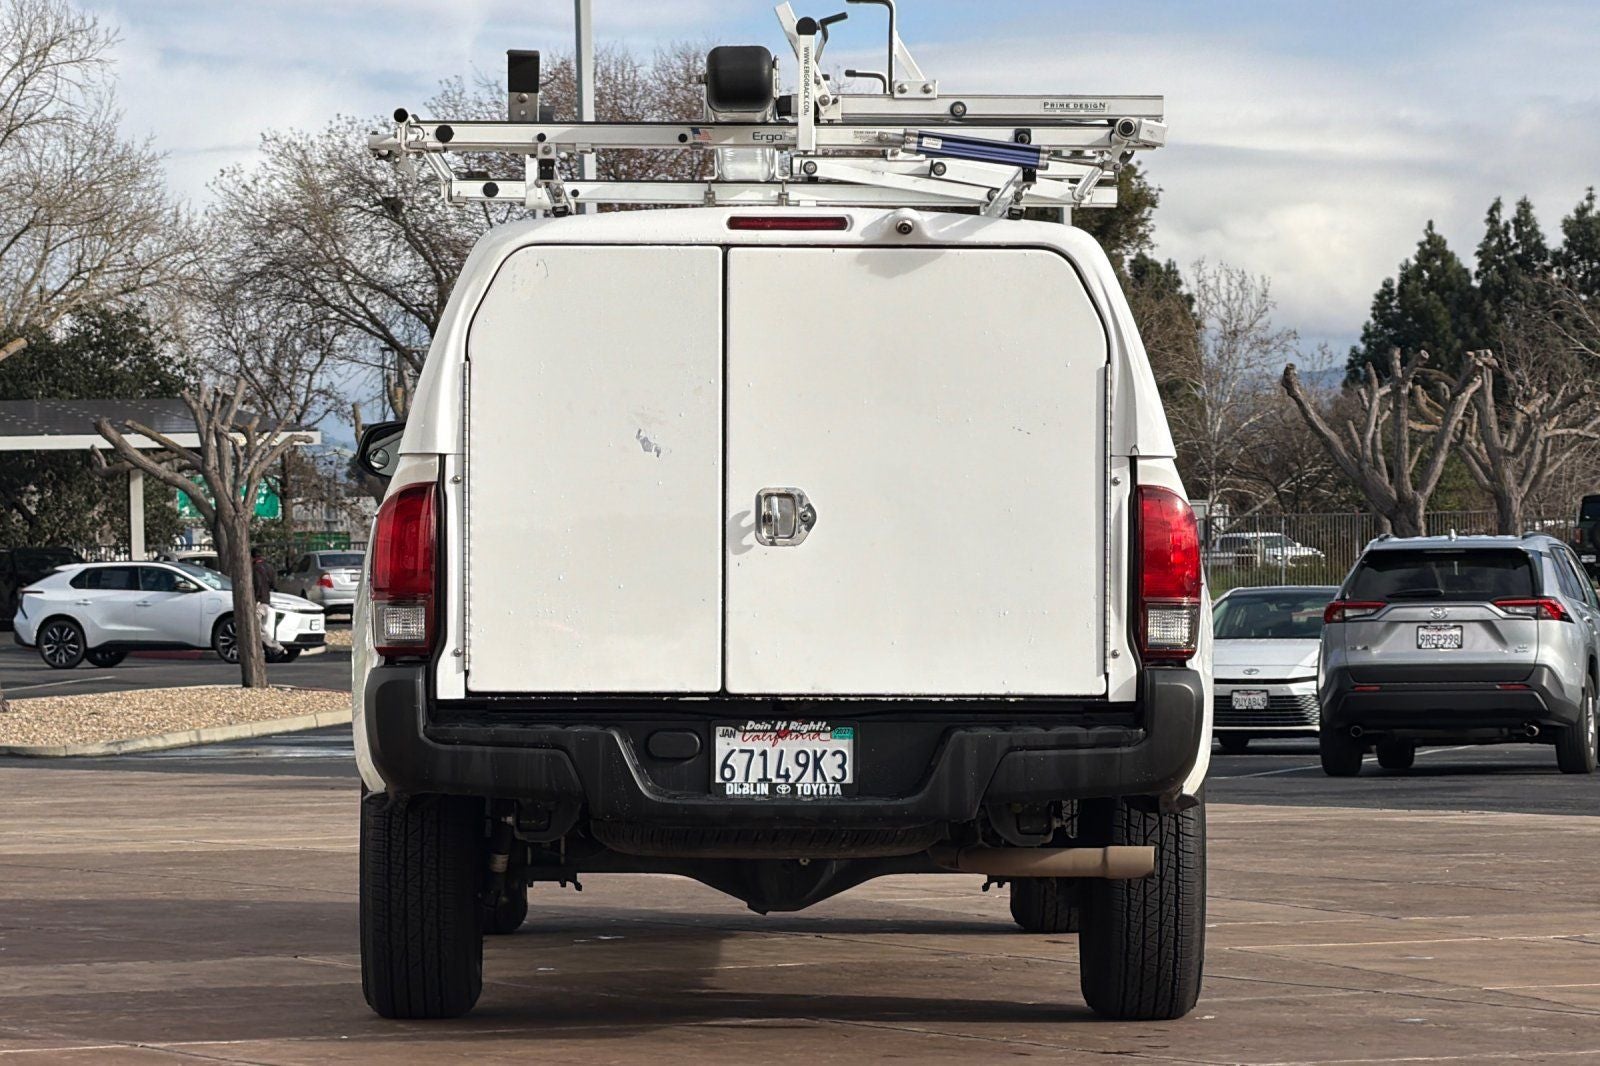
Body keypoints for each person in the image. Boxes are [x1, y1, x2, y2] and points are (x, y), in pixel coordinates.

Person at [251, 547, 285, 653]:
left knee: (256, 627)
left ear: (252, 557)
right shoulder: (269, 567)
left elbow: (258, 584)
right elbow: (274, 585)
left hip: (259, 601)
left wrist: (256, 599)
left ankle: (275, 645)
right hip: (267, 601)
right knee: (263, 627)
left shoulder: (255, 568)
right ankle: (265, 650)